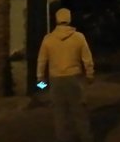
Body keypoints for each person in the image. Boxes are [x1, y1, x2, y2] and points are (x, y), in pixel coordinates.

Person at [37, 8, 95, 142]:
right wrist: (90, 75)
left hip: (56, 80)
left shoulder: (48, 39)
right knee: (80, 112)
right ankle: (86, 138)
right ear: (69, 19)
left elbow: (41, 61)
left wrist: (41, 84)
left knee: (59, 115)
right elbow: (87, 58)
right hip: (74, 78)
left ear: (56, 20)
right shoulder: (79, 37)